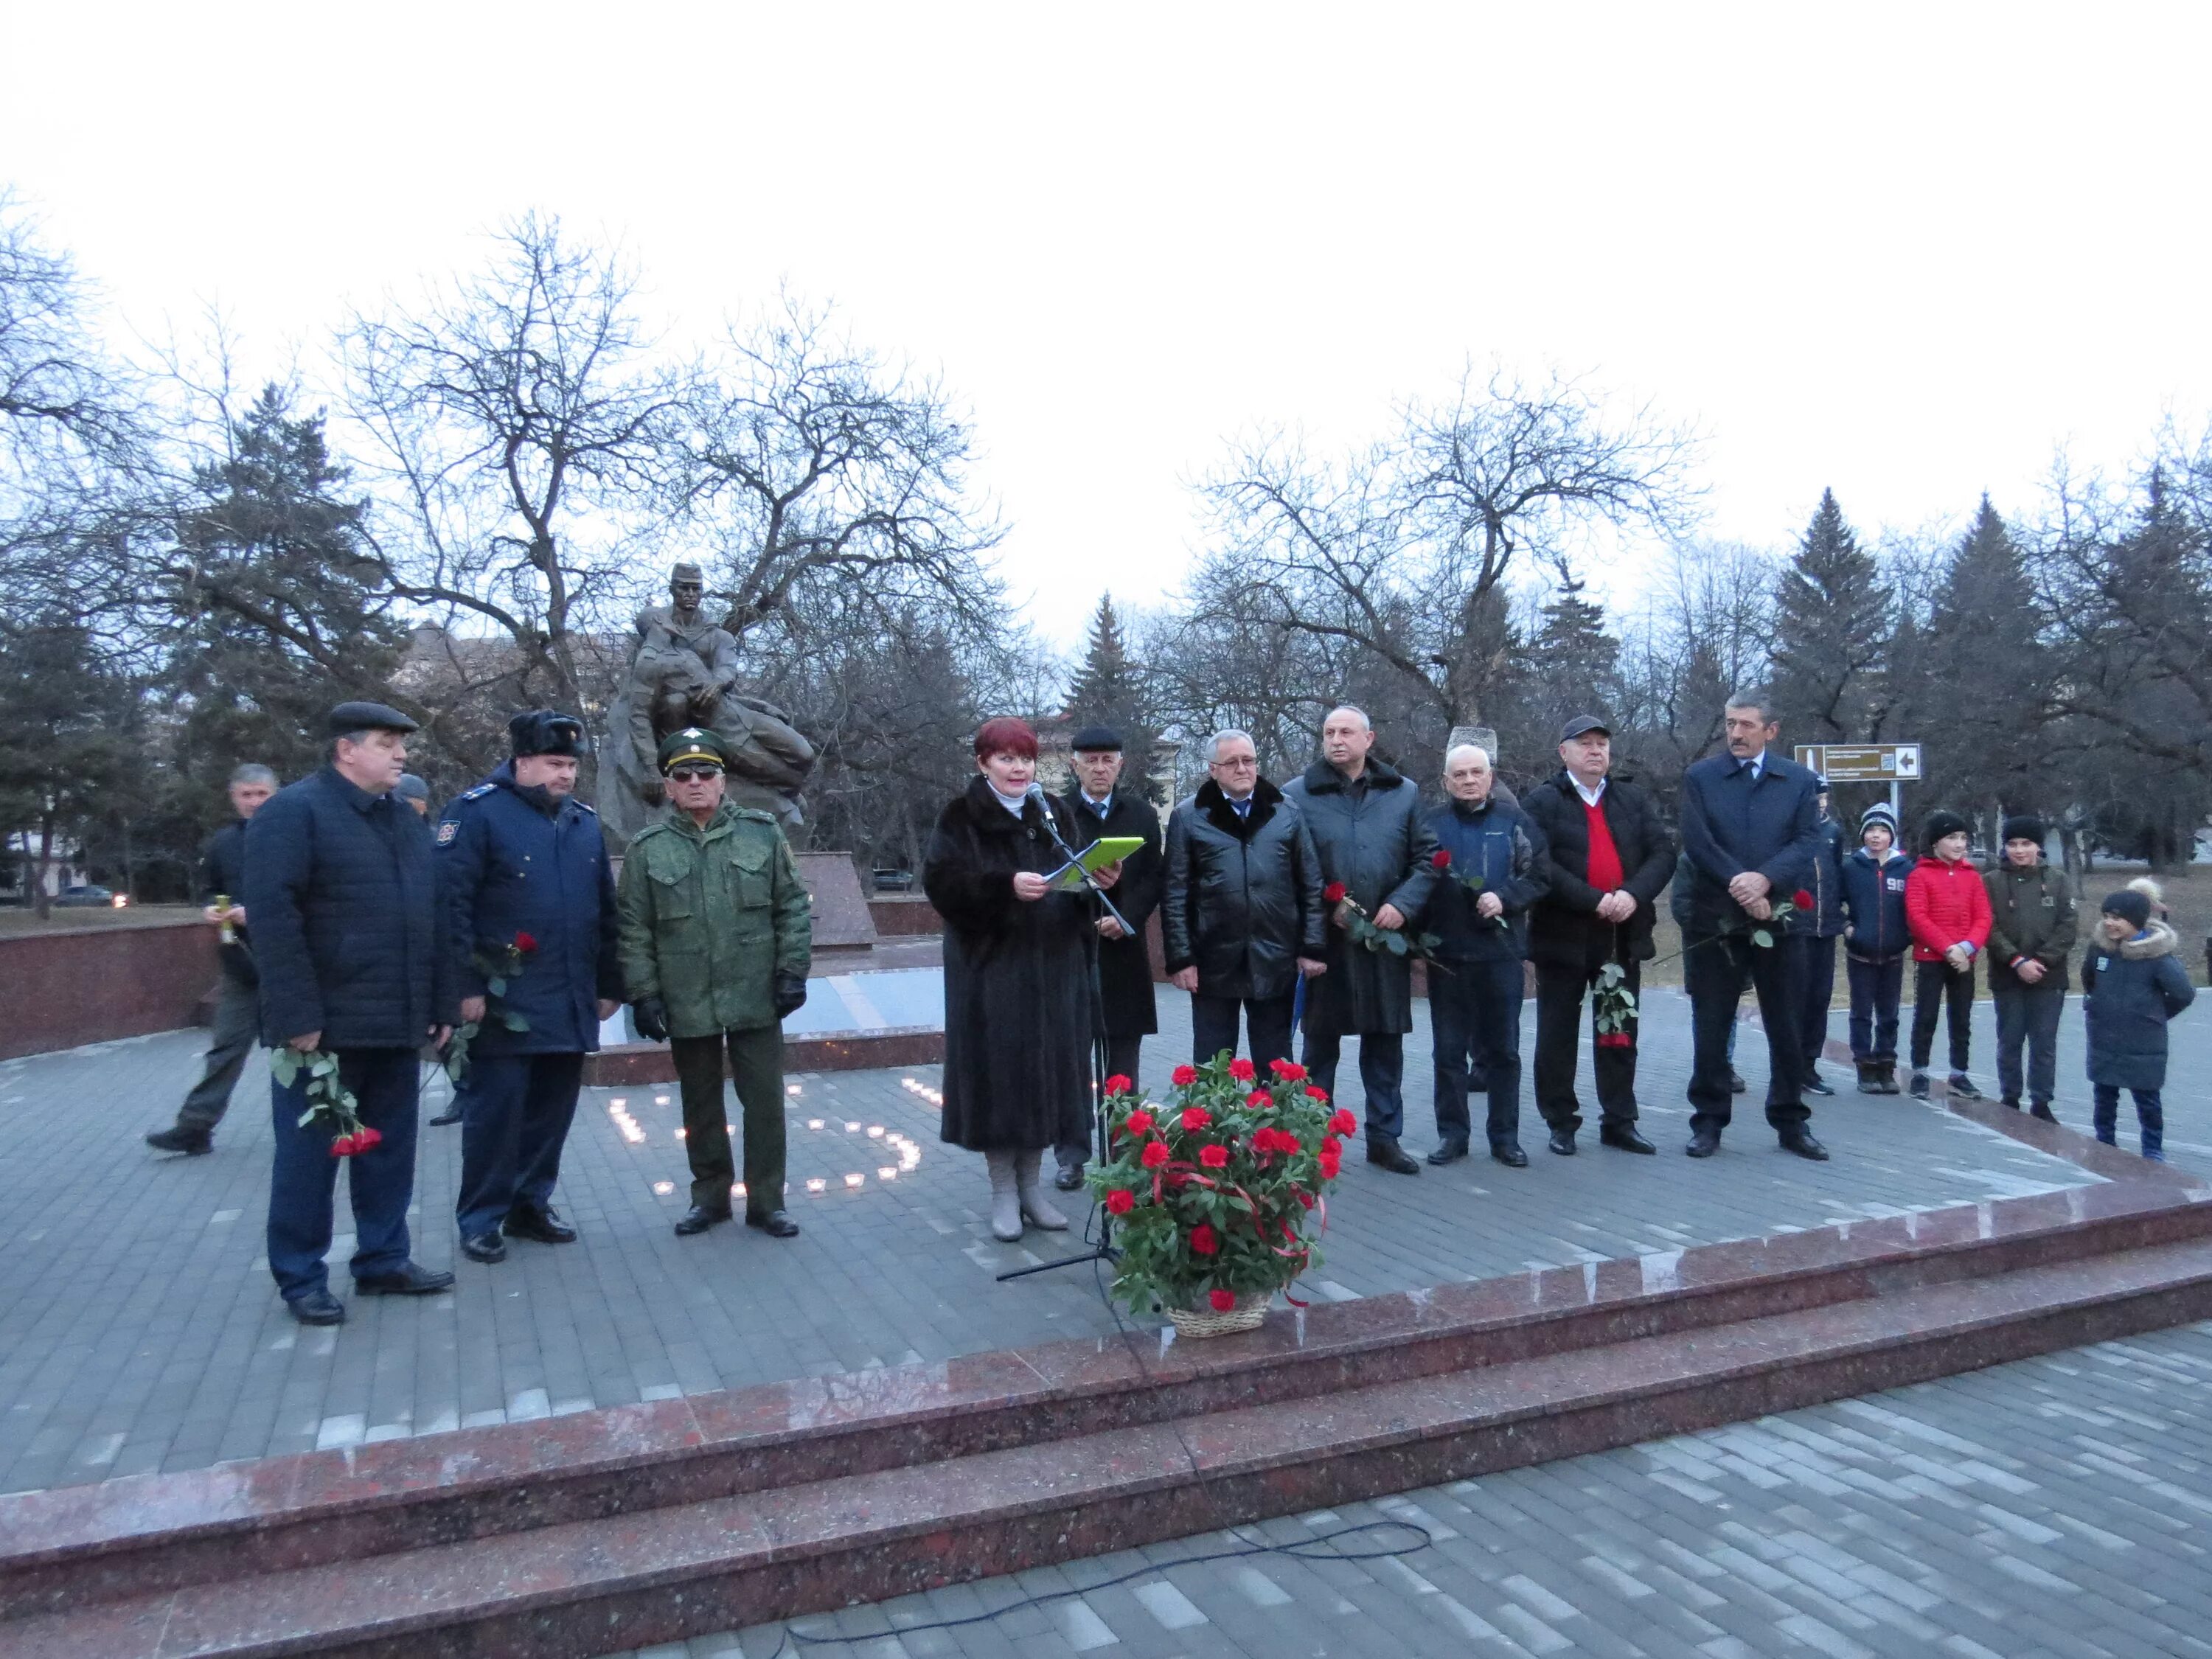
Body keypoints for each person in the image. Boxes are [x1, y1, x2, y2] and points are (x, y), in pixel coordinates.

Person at [244, 702, 456, 1326]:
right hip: (324, 1031)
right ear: (346, 749)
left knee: (388, 1152)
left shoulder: (402, 820)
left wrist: (442, 1002)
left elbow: (433, 917)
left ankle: (384, 1258)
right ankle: (301, 1276)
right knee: (309, 1160)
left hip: (397, 1022)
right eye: (388, 743)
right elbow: (275, 924)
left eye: (402, 745)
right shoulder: (292, 814)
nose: (402, 755)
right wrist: (296, 1015)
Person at [437, 712, 624, 1264]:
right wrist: (463, 986)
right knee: (496, 1116)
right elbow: (449, 910)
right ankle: (482, 1217)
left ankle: (530, 1204)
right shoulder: (476, 816)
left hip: (566, 999)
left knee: (550, 1114)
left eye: (570, 765)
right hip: (503, 1003)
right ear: (522, 763)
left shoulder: (582, 822)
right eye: (554, 764)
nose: (566, 775)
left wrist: (609, 983)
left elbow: (604, 912)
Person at [925, 717, 1121, 1242]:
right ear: (983, 763)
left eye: (1027, 759)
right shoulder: (961, 818)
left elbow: (1072, 873)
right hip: (993, 975)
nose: (1019, 768)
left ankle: (1032, 1189)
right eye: (1007, 758)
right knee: (1003, 1079)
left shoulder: (1052, 811)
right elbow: (943, 886)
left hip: (1054, 969)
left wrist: (1098, 878)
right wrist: (1004, 886)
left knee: (1045, 1079)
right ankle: (1003, 1193)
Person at [618, 728, 812, 1239]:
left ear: (723, 781)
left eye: (707, 773)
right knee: (700, 1106)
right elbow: (634, 928)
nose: (696, 782)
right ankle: (709, 1198)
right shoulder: (648, 849)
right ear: (669, 787)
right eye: (684, 775)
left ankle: (768, 1202)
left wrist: (793, 970)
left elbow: (792, 906)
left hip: (755, 992)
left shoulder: (762, 833)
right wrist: (644, 993)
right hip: (687, 996)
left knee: (765, 1104)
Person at [1285, 707, 1443, 1175]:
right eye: (1329, 732)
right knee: (1319, 1045)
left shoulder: (1404, 793)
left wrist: (1404, 903)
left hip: (1384, 937)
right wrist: (1322, 905)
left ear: (1369, 738)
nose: (1337, 740)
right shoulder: (1298, 795)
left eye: (1346, 732)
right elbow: (1290, 862)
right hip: (1325, 942)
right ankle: (1315, 1138)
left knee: (1384, 1041)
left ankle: (1384, 1137)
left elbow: (1427, 857)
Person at [1676, 691, 1827, 1160]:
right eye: (1730, 724)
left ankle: (1789, 1120)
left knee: (1786, 1024)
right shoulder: (1702, 778)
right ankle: (1708, 1122)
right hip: (1714, 921)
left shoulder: (1799, 781)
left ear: (1771, 730)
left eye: (1746, 725)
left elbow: (1807, 842)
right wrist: (1742, 887)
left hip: (1779, 921)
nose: (1735, 734)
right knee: (1712, 1023)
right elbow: (1698, 842)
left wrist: (1766, 882)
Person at [1521, 717, 1674, 1157]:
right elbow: (1540, 864)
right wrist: (1592, 899)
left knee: (1619, 1031)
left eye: (1602, 744)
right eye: (1584, 744)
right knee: (1557, 1033)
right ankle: (1561, 1121)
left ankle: (1620, 1121)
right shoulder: (1543, 802)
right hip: (1563, 936)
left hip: (1619, 937)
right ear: (1563, 752)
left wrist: (1632, 893)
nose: (1595, 751)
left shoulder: (1631, 798)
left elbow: (1663, 853)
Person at [1161, 730, 1326, 1076]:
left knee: (1276, 1065)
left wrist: (1312, 946)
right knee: (1213, 1067)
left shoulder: (1286, 812)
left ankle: (1275, 1130)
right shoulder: (1189, 816)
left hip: (1274, 956)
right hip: (1212, 959)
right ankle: (1214, 1132)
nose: (1242, 768)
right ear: (1213, 769)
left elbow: (1310, 883)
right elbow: (1175, 893)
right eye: (1231, 762)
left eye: (1248, 760)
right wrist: (1181, 959)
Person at [1422, 743, 1548, 1167]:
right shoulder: (1430, 824)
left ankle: (1505, 1137)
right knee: (1448, 1051)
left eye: (1476, 773)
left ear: (1490, 777)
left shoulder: (1514, 820)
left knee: (1504, 1052)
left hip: (1502, 954)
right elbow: (1416, 879)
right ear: (1446, 782)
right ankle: (1453, 1135)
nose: (1469, 781)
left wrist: (1506, 898)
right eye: (1459, 775)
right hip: (1449, 955)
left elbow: (1539, 874)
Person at [1054, 726, 1165, 1191]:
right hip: (1072, 952)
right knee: (1073, 1063)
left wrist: (1129, 917)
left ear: (1121, 764)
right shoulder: (1058, 814)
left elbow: (1152, 878)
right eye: (1091, 759)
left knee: (1123, 1065)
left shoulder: (1139, 813)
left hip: (1123, 955)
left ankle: (1124, 1154)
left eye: (1109, 759)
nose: (1100, 768)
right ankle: (1071, 1157)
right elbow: (1050, 879)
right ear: (1075, 763)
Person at [146, 763, 278, 1155]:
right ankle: (195, 1126)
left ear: (276, 794)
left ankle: (326, 1122)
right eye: (246, 795)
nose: (254, 802)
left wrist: (253, 913)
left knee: (304, 1050)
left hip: (289, 962)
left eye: (261, 794)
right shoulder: (223, 843)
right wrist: (211, 909)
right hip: (240, 962)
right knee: (226, 1047)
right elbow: (211, 889)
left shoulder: (296, 836)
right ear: (233, 798)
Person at [2081, 888, 2194, 1161]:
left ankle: (2153, 1150)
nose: (2110, 923)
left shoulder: (2157, 958)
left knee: (2147, 1101)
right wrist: (2096, 1005)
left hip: (2143, 1042)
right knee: (2104, 1096)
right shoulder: (2101, 951)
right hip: (2104, 1037)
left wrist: (2155, 1015)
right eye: (2107, 916)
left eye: (2118, 918)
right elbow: (2089, 980)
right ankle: (2105, 1143)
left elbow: (2183, 994)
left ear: (2136, 921)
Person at [1983, 815, 2075, 1123]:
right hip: (2008, 974)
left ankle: (2041, 1101)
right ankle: (2010, 1095)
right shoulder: (1992, 882)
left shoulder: (2059, 880)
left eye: (2026, 844)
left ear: (2038, 846)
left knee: (2044, 1042)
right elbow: (1989, 927)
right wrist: (2016, 960)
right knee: (2010, 1038)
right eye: (2012, 844)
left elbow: (2067, 926)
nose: (2019, 850)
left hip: (2049, 976)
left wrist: (2041, 960)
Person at [1905, 810, 1990, 1099]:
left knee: (1961, 1017)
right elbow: (1918, 917)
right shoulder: (1920, 875)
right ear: (1936, 842)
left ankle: (1959, 1073)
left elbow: (1984, 917)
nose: (1959, 844)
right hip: (1931, 958)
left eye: (1963, 838)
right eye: (1952, 838)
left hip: (1964, 958)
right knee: (1926, 1015)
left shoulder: (1972, 876)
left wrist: (1967, 947)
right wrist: (1947, 947)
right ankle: (1920, 1071)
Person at [1839, 803, 1912, 1093]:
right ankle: (1864, 1068)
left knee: (1889, 1014)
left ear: (1892, 836)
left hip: (1893, 954)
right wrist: (1847, 928)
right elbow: (1833, 902)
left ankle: (1886, 1066)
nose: (1876, 836)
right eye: (1871, 830)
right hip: (1861, 953)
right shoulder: (1851, 867)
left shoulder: (1905, 868)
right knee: (1861, 1013)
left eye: (1883, 830)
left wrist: (1906, 934)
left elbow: (1916, 907)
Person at [1792, 781, 1848, 1096]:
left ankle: (1810, 1066)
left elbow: (1838, 874)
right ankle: (1790, 1066)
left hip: (1826, 929)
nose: (1820, 803)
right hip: (1797, 929)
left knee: (1819, 999)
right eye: (1814, 797)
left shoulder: (1834, 832)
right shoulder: (1791, 830)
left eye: (1824, 797)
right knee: (1795, 1001)